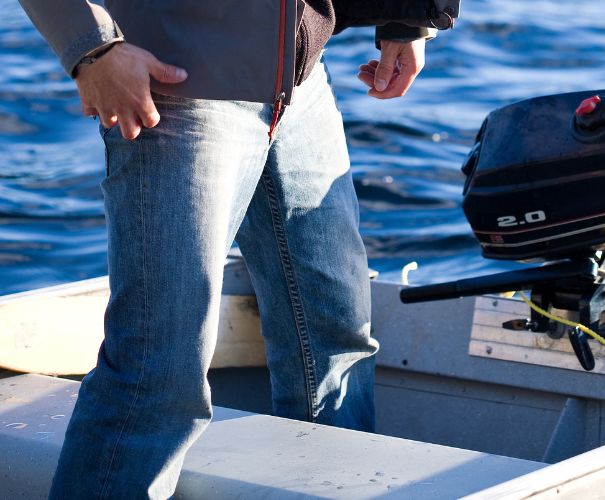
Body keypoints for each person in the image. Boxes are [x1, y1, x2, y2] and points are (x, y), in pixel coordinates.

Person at [17, 1, 459, 498]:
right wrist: (91, 48)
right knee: (157, 374)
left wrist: (406, 16)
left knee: (334, 344)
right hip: (178, 88)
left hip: (300, 82)